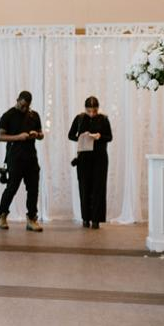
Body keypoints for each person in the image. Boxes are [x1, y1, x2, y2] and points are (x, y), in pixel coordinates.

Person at [0, 90, 45, 232]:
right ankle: (2, 214)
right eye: (22, 105)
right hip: (15, 158)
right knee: (12, 188)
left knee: (33, 189)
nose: (24, 108)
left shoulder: (34, 115)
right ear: (17, 100)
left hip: (31, 158)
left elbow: (41, 134)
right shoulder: (8, 115)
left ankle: (31, 218)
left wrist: (37, 134)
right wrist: (18, 137)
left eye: (27, 106)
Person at [68, 96, 113, 229]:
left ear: (98, 108)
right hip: (84, 158)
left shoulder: (104, 119)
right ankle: (85, 218)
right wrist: (82, 138)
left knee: (99, 188)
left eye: (94, 111)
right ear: (85, 109)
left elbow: (109, 137)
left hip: (100, 158)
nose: (92, 114)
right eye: (89, 111)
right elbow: (70, 135)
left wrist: (99, 136)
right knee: (84, 187)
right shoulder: (80, 118)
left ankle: (96, 220)